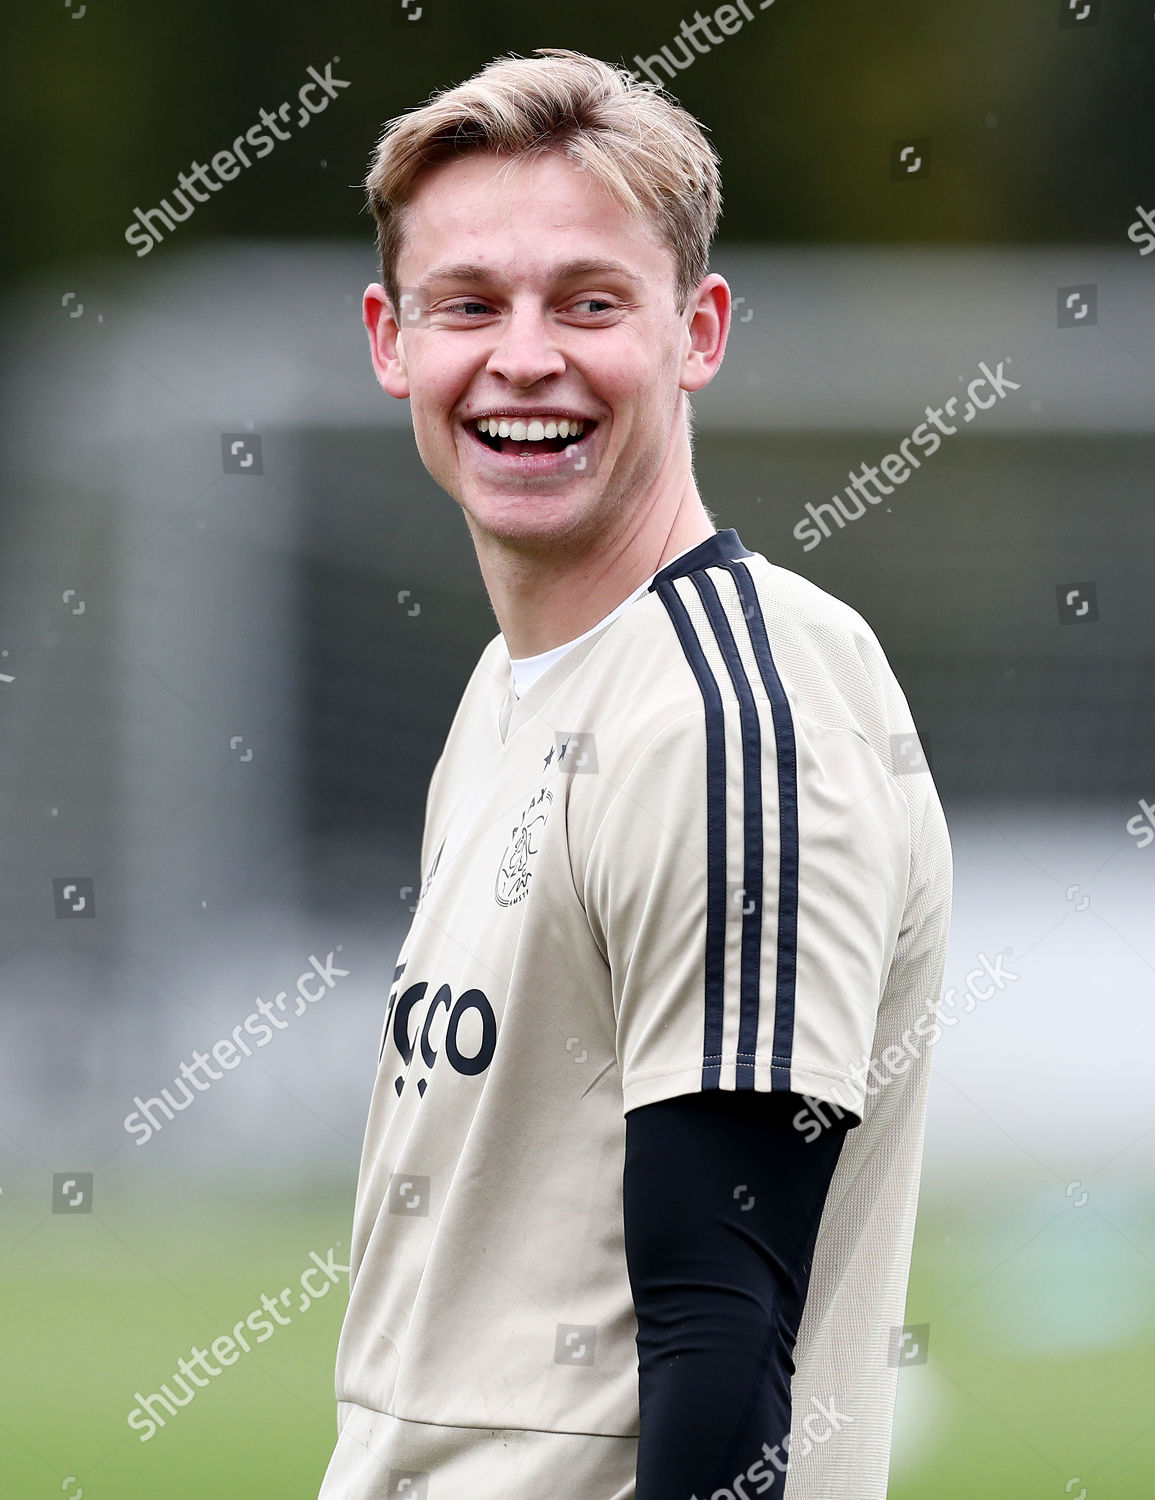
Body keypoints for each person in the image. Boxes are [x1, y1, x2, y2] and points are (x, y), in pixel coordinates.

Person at [318, 47, 952, 1500]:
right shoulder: (513, 687)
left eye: (590, 302)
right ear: (391, 338)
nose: (524, 356)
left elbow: (721, 1336)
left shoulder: (736, 715)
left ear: (698, 329)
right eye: (469, 303)